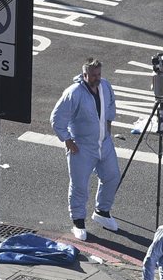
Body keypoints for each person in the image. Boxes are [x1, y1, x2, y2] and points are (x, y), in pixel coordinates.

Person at [49, 57, 120, 241]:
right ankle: (78, 221)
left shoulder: (105, 86)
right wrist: (67, 140)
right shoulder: (74, 93)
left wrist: (108, 126)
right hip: (82, 147)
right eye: (93, 75)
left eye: (99, 74)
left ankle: (102, 211)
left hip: (104, 143)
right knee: (80, 185)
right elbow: (57, 119)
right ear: (84, 75)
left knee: (112, 176)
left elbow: (110, 106)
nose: (97, 78)